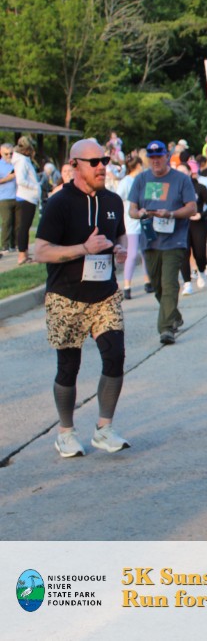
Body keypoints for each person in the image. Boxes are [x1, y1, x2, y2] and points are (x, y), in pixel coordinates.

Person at [33, 138, 130, 457]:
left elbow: (119, 233)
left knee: (115, 356)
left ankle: (104, 429)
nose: (102, 166)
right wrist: (83, 249)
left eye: (104, 160)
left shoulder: (113, 200)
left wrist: (121, 249)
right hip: (66, 296)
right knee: (68, 367)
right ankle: (65, 433)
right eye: (94, 162)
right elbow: (41, 251)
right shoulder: (59, 203)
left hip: (105, 295)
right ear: (75, 165)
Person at [127, 140, 197, 345]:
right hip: (150, 240)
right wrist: (140, 213)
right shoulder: (141, 179)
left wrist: (171, 213)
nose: (156, 161)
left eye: (159, 157)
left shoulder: (181, 179)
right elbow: (132, 210)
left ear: (167, 156)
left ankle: (166, 329)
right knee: (157, 286)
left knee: (169, 284)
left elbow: (192, 208)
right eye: (152, 157)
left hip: (174, 240)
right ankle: (174, 316)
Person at [175, 164, 207, 295]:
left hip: (198, 224)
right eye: (179, 172)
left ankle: (201, 271)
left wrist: (201, 215)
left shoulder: (199, 187)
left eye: (184, 171)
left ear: (189, 172)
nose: (181, 174)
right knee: (184, 253)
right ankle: (187, 283)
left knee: (199, 253)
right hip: (181, 225)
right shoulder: (174, 189)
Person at [115, 158, 150, 300]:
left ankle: (148, 281)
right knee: (132, 254)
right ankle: (127, 285)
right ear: (138, 166)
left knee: (146, 252)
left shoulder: (143, 180)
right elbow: (117, 199)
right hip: (130, 224)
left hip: (145, 222)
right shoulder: (126, 182)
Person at [12, 136, 42, 265]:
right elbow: (21, 180)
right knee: (24, 227)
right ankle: (21, 255)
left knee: (25, 227)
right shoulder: (22, 161)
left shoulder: (24, 160)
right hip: (26, 197)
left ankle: (25, 253)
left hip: (30, 197)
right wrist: (35, 186)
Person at [0, 143, 16, 254]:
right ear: (1, 153)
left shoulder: (16, 163)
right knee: (7, 222)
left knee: (17, 223)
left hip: (18, 196)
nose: (9, 156)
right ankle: (5, 246)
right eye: (6, 154)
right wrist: (9, 178)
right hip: (4, 197)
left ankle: (13, 245)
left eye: (11, 153)